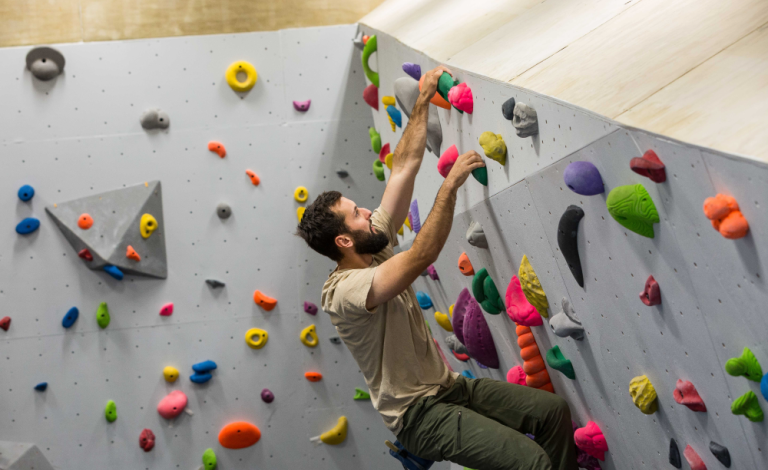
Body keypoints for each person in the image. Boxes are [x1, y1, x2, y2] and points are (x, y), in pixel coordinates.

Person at [296, 65, 577, 470]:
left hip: (449, 390)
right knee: (531, 463)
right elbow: (419, 259)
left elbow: (403, 169)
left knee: (551, 413)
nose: (366, 211)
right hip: (418, 416)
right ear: (343, 240)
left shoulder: (370, 244)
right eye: (355, 214)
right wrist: (448, 188)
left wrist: (424, 98)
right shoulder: (343, 291)